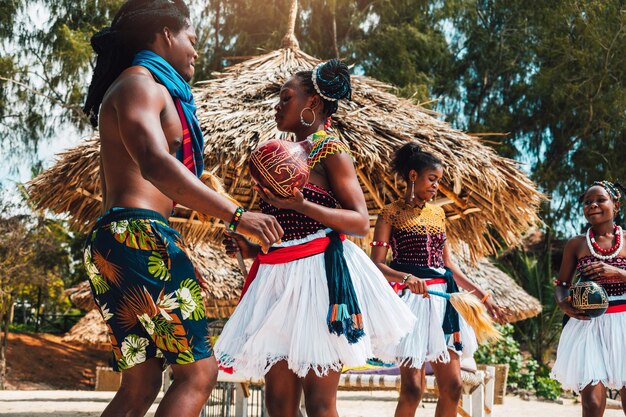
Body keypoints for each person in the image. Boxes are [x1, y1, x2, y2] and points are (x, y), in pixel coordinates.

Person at [81, 1, 283, 416]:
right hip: (139, 235)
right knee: (198, 374)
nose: (196, 51)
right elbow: (155, 164)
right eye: (192, 39)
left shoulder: (140, 86)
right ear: (167, 35)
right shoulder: (140, 84)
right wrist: (238, 215)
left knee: (141, 384)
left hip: (120, 239)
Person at [215, 59, 416, 417]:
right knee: (278, 405)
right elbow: (280, 223)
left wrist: (303, 203)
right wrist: (248, 244)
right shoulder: (275, 156)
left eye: (286, 97)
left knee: (320, 405)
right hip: (276, 279)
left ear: (314, 104)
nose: (278, 105)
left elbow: (358, 222)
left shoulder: (331, 150)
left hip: (318, 280)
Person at [370, 142, 505, 417]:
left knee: (453, 386)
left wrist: (484, 298)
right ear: (412, 176)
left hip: (445, 304)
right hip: (411, 303)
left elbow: (448, 267)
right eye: (432, 179)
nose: (435, 186)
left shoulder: (438, 214)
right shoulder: (390, 213)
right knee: (412, 389)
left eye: (438, 181)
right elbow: (377, 265)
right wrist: (407, 278)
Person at [551, 180, 626, 417]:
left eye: (600, 200)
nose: (592, 205)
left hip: (623, 325)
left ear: (616, 205)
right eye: (587, 202)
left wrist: (617, 272)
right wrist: (564, 303)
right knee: (592, 405)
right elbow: (562, 284)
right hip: (588, 327)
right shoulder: (576, 244)